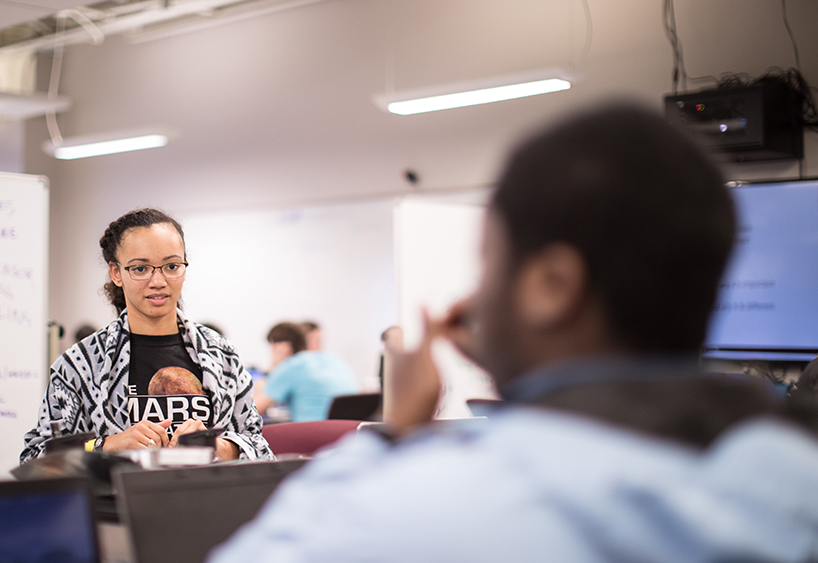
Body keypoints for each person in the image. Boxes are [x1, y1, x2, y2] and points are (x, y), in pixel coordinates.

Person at [210, 104, 818, 562]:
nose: (474, 296)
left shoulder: (435, 510)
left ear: (552, 285)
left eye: (489, 264)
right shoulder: (791, 478)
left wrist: (391, 433)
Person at [22, 208, 273, 462]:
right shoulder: (80, 365)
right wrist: (106, 445)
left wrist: (221, 447)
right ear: (116, 273)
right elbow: (36, 456)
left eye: (171, 266)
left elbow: (259, 446)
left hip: (206, 498)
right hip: (118, 500)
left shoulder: (221, 355)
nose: (158, 281)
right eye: (140, 269)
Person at [255, 322, 359, 422]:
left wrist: (274, 367)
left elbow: (252, 410)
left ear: (280, 347)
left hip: (313, 434)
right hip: (348, 432)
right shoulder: (334, 359)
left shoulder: (292, 365)